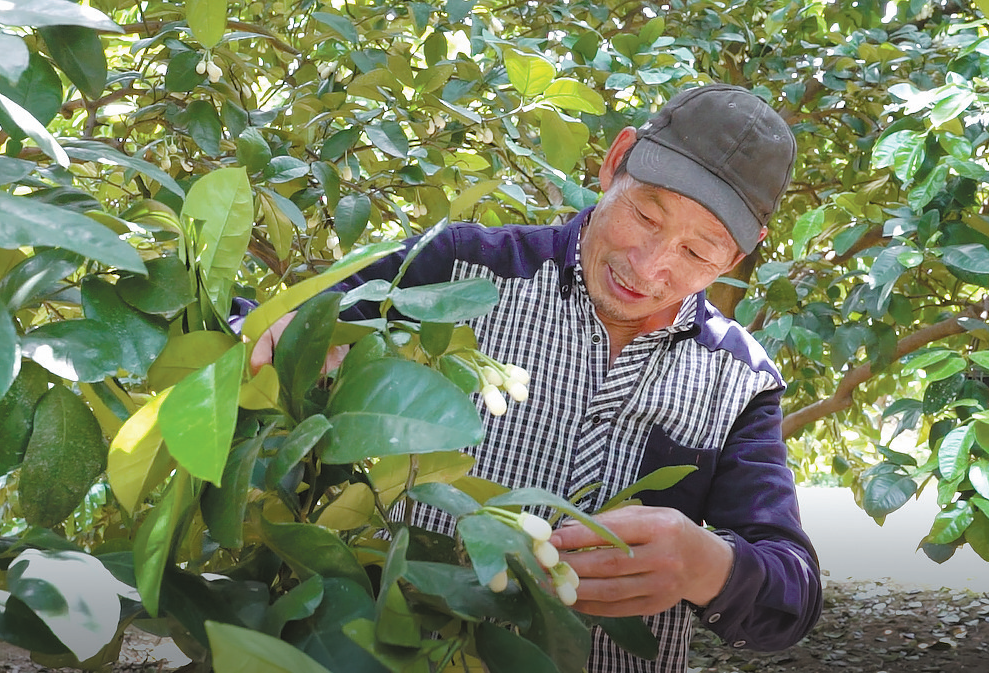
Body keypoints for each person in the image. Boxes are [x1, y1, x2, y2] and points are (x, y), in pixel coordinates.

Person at [240, 83, 822, 672]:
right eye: (646, 215)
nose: (650, 268)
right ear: (614, 161)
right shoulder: (456, 269)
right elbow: (270, 332)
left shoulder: (738, 377)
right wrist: (284, 339)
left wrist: (709, 567)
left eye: (698, 253)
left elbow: (790, 594)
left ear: (740, 258)